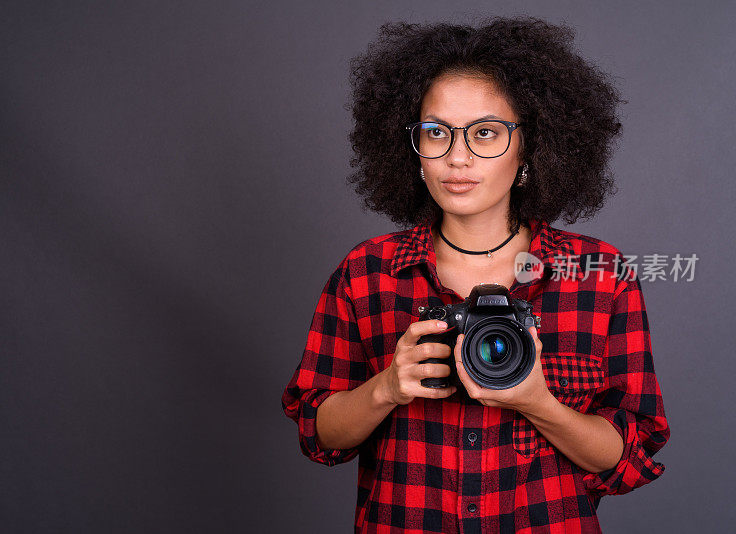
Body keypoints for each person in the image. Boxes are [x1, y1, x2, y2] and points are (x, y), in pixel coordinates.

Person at [281, 16, 669, 533]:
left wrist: (537, 403)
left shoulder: (599, 276)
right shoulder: (365, 275)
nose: (457, 157)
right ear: (413, 149)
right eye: (436, 132)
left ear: (530, 146)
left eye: (485, 133)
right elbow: (318, 434)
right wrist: (387, 388)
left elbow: (629, 458)